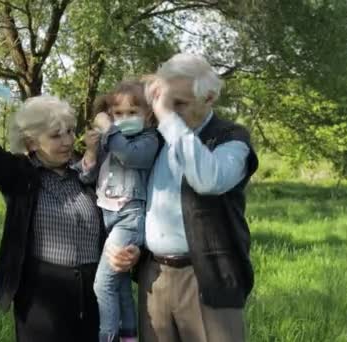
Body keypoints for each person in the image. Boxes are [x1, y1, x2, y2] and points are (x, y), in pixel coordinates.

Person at [0, 72, 137, 342]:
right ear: (32, 142)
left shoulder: (88, 170)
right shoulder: (19, 174)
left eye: (70, 131)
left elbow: (124, 214)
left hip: (96, 295)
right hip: (41, 299)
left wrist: (131, 252)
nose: (68, 141)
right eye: (56, 136)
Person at [138, 54, 259, 342]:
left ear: (209, 97)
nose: (168, 111)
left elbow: (208, 180)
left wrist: (167, 118)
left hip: (207, 277)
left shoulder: (232, 139)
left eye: (179, 103)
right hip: (154, 275)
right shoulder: (156, 138)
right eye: (166, 102)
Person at [78, 81, 160, 342]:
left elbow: (129, 156)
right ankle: (128, 336)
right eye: (118, 113)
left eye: (132, 112)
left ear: (148, 114)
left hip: (129, 218)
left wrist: (108, 128)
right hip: (108, 218)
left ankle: (107, 337)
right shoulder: (108, 140)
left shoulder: (149, 139)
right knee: (120, 284)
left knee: (102, 284)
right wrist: (92, 150)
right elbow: (87, 177)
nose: (124, 119)